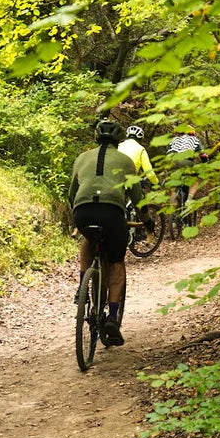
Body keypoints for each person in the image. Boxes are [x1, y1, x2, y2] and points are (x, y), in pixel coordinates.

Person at [69, 119, 143, 347]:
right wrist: (146, 220)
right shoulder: (126, 161)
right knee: (117, 260)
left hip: (83, 211)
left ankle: (83, 285)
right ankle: (112, 317)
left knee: (88, 239)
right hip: (112, 213)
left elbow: (72, 192)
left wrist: (78, 215)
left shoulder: (81, 158)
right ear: (119, 139)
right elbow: (138, 197)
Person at [166, 126, 205, 219]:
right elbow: (203, 155)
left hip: (171, 162)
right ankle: (189, 200)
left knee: (174, 186)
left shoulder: (174, 139)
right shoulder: (194, 140)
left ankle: (173, 214)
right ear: (192, 133)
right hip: (186, 162)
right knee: (197, 180)